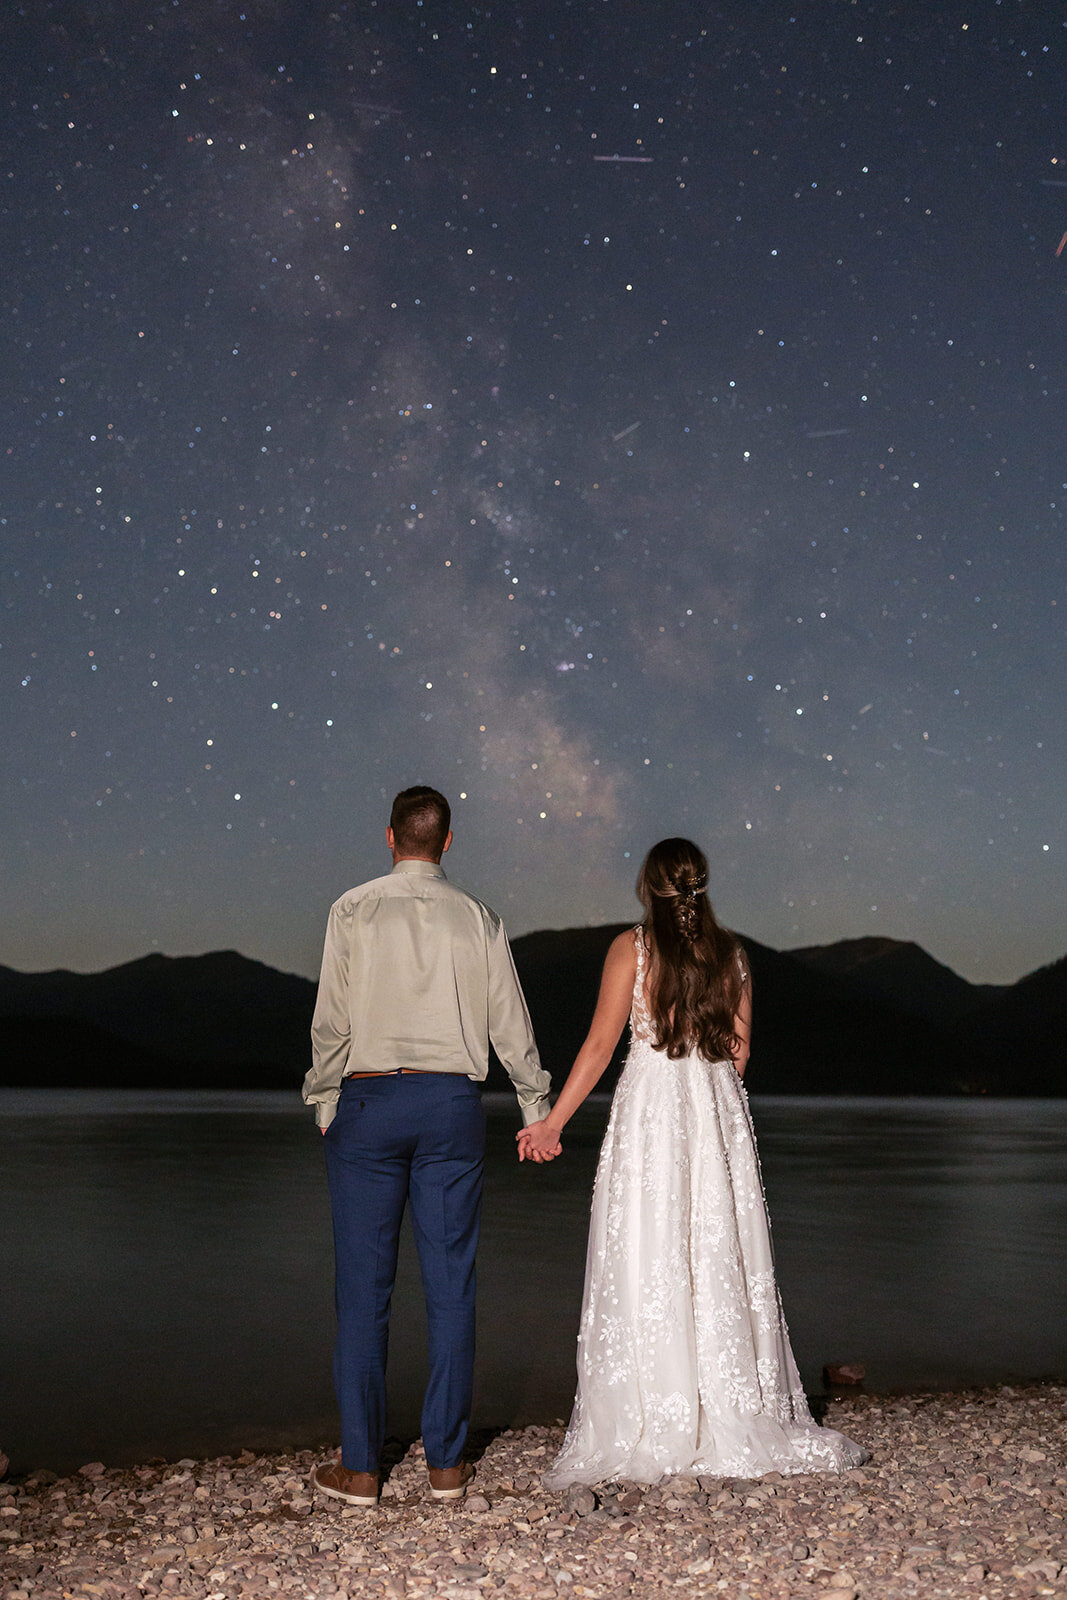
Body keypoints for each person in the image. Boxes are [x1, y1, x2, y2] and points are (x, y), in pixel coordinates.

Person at [518, 837, 868, 1486]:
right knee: (715, 1250)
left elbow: (599, 1043)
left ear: (647, 887)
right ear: (700, 886)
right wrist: (714, 1100)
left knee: (649, 1245)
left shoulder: (632, 948)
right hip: (713, 1108)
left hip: (652, 1106)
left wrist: (553, 1121)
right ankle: (722, 1406)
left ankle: (657, 1410)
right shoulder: (732, 955)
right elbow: (738, 1051)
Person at [304, 786, 554, 1507]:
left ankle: (360, 1471)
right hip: (449, 1106)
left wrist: (323, 1098)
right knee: (450, 1287)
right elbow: (509, 1017)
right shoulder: (477, 916)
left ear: (390, 838)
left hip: (371, 1101)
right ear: (447, 841)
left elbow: (332, 1017)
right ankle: (445, 1466)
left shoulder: (351, 908)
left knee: (362, 1292)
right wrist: (532, 1101)